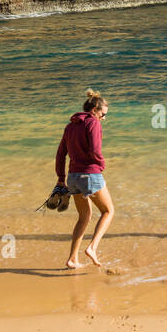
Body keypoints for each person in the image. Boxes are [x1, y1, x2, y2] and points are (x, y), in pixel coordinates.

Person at [55, 89, 113, 269]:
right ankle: (93, 248)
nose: (103, 118)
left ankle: (72, 259)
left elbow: (60, 154)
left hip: (73, 177)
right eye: (103, 114)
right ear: (95, 109)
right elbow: (95, 150)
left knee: (84, 217)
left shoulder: (70, 126)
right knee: (108, 211)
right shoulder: (93, 123)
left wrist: (61, 178)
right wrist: (101, 165)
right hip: (90, 174)